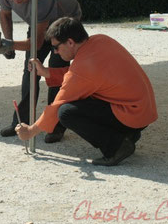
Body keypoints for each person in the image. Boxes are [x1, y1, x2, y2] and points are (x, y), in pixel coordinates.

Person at [16, 17, 158, 166]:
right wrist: (46, 72)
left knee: (66, 112)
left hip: (131, 114)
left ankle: (116, 146)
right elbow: (78, 75)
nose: (56, 52)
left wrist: (30, 131)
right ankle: (127, 135)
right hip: (143, 111)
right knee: (86, 100)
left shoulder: (82, 68)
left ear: (70, 42)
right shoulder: (101, 40)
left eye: (56, 47)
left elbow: (57, 106)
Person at [0, 0, 81, 143]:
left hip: (64, 23)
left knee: (56, 74)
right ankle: (21, 123)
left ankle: (56, 126)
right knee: (29, 72)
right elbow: (5, 15)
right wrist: (9, 41)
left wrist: (10, 45)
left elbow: (37, 43)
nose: (16, 2)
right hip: (38, 22)